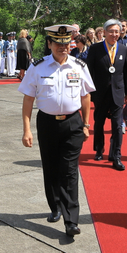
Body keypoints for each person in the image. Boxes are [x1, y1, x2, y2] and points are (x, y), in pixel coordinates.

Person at [19, 24, 95, 237]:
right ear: (50, 44)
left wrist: (86, 124)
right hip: (47, 123)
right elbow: (28, 99)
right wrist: (27, 130)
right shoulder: (38, 67)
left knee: (70, 171)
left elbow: (86, 95)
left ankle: (71, 220)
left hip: (73, 124)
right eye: (58, 44)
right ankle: (55, 207)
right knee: (51, 168)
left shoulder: (79, 65)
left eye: (66, 43)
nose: (63, 48)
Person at [86, 19, 127, 171]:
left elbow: (126, 73)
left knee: (117, 126)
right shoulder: (95, 49)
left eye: (116, 32)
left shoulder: (124, 49)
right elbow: (89, 71)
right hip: (100, 92)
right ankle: (99, 149)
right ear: (104, 32)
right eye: (111, 31)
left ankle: (116, 155)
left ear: (120, 33)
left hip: (118, 93)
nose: (114, 34)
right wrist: (90, 92)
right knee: (98, 123)